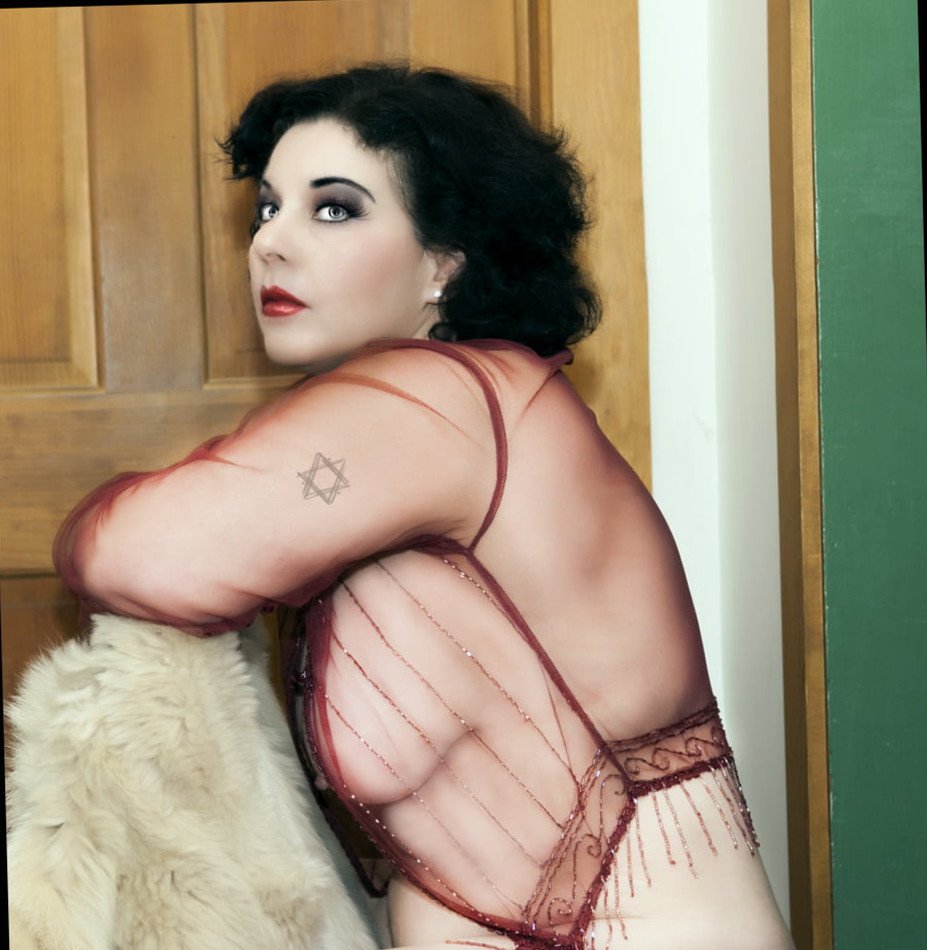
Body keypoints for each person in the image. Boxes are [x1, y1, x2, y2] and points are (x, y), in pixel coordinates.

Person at [54, 63, 793, 949]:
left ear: (444, 262)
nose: (271, 243)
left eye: (334, 209)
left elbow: (129, 553)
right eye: (267, 208)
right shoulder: (440, 415)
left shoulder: (441, 403)